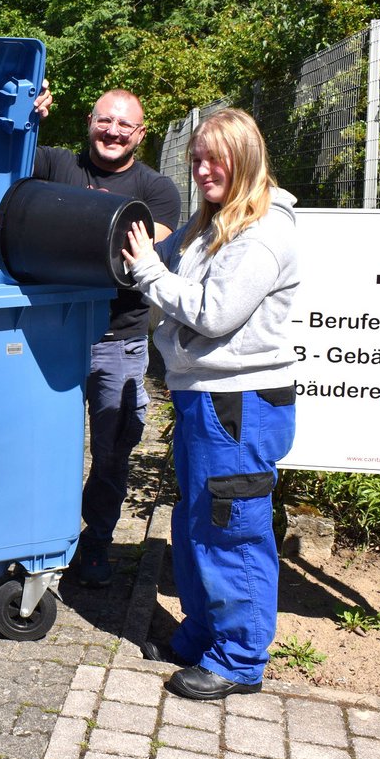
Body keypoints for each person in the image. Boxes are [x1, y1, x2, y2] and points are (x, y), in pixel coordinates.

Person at [120, 107, 299, 700]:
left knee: (234, 529)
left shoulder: (264, 231)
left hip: (239, 403)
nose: (201, 169)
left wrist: (148, 268)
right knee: (198, 523)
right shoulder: (215, 222)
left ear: (244, 157)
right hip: (206, 397)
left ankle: (240, 658)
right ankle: (204, 634)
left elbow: (214, 312)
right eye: (196, 158)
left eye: (213, 158)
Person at [31, 88, 181, 587]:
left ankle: (95, 544)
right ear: (89, 121)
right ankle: (34, 541)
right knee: (38, 441)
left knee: (114, 450)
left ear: (141, 133)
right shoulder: (54, 163)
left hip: (119, 339)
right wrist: (25, 118)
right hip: (50, 335)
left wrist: (57, 228)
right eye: (105, 121)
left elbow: (134, 258)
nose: (113, 132)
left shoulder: (157, 190)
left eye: (125, 125)